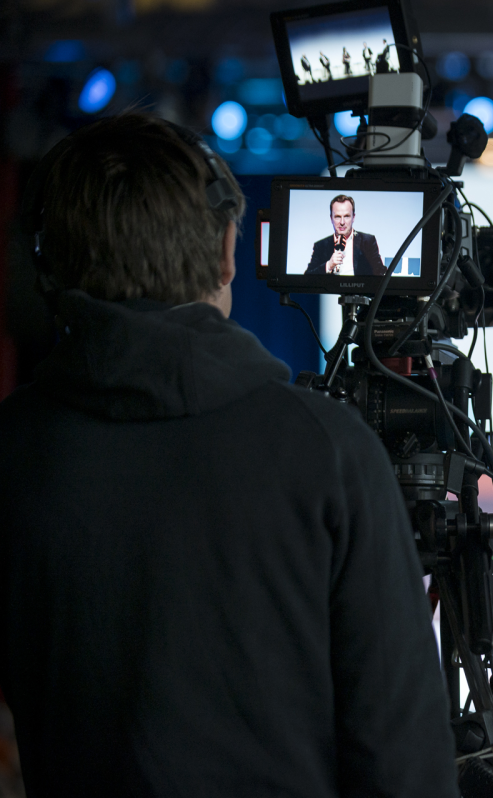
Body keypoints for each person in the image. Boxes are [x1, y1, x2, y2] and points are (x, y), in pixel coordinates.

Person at [0, 113, 457, 796]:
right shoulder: (329, 453)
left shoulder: (13, 449)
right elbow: (405, 764)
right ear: (226, 254)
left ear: (48, 264)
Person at [306, 194, 386, 276]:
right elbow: (307, 277)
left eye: (346, 216)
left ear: (353, 217)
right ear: (331, 218)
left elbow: (380, 273)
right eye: (337, 217)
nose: (342, 222)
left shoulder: (367, 242)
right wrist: (328, 265)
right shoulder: (321, 246)